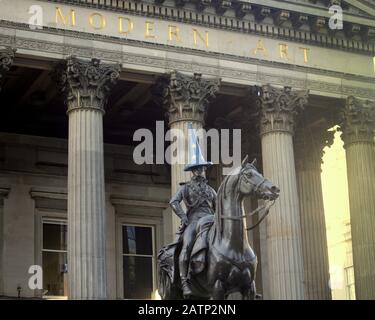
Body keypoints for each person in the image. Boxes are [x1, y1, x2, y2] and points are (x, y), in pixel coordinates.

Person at [169, 124, 217, 298]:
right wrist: (184, 217)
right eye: (197, 168)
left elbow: (219, 208)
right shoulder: (186, 188)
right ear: (192, 171)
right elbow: (173, 202)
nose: (201, 171)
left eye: (203, 168)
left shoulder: (211, 190)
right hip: (194, 221)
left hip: (211, 221)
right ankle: (185, 282)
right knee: (187, 247)